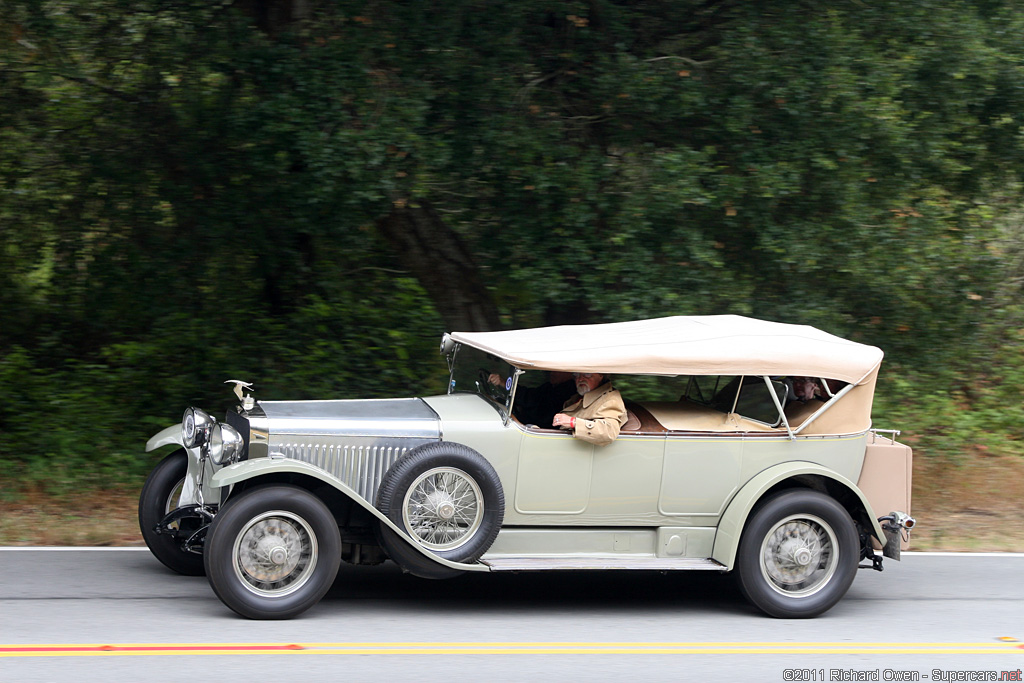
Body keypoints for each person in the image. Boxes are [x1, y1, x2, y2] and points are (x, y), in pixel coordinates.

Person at [551, 372, 627, 446]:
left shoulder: (610, 399)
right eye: (576, 375)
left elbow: (608, 432)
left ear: (601, 375)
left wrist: (572, 422)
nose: (580, 379)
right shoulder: (577, 398)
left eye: (587, 374)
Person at [489, 370, 577, 427]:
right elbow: (532, 395)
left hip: (539, 429)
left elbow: (532, 400)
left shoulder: (566, 391)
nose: (551, 373)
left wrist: (505, 384)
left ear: (569, 373)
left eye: (556, 371)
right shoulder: (550, 387)